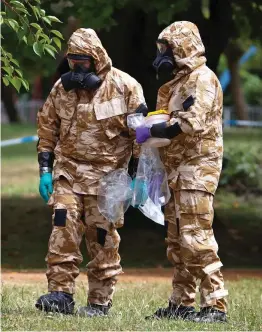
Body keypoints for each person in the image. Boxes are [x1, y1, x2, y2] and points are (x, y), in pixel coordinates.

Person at [36, 28, 147, 317]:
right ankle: (60, 294)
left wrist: (139, 177)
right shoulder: (62, 89)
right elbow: (47, 129)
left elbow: (141, 137)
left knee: (102, 238)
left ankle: (99, 301)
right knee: (63, 226)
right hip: (68, 173)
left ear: (97, 58)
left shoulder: (126, 87)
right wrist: (45, 170)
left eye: (83, 60)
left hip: (108, 178)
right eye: (73, 60)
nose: (77, 66)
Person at [136, 21, 228, 323]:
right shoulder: (177, 83)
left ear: (184, 46)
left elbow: (192, 122)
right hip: (176, 169)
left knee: (196, 238)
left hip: (196, 170)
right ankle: (181, 303)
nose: (163, 54)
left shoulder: (202, 78)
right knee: (177, 242)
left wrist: (157, 128)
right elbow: (169, 118)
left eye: (168, 48)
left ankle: (215, 305)